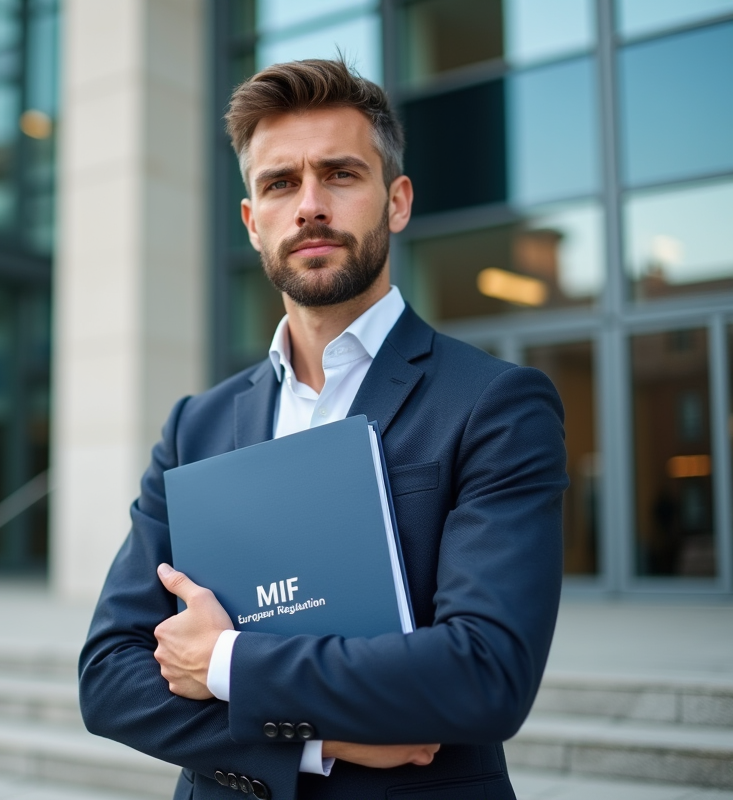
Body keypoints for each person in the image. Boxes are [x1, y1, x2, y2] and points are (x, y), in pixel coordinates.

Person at [77, 59, 568, 800]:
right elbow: (109, 678)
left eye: (340, 174)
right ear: (251, 222)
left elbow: (484, 672)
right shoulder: (195, 426)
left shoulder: (496, 405)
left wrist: (223, 664)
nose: (309, 205)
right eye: (279, 183)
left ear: (396, 202)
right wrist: (319, 742)